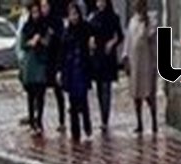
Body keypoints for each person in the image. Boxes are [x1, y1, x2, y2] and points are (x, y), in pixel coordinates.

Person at [87, 0, 123, 133]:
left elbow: (120, 36)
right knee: (99, 88)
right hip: (97, 56)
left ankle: (105, 119)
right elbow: (88, 32)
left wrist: (112, 43)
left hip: (108, 56)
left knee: (106, 88)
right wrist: (90, 40)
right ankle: (102, 114)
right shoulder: (93, 17)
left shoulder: (113, 17)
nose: (100, 4)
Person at [61, 2, 94, 143]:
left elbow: (91, 45)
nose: (73, 17)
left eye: (75, 14)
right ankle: (75, 131)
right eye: (71, 14)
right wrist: (60, 70)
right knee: (72, 102)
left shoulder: (86, 29)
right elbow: (62, 52)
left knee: (83, 99)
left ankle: (86, 124)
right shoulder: (67, 31)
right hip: (70, 70)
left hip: (82, 68)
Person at [127, 0, 158, 134]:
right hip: (135, 62)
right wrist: (125, 58)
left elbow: (151, 37)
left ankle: (154, 121)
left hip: (147, 62)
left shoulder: (151, 21)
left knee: (149, 94)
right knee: (136, 94)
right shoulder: (132, 21)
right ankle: (139, 122)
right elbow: (129, 40)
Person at [19, 3, 49, 135]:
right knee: (31, 95)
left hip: (41, 62)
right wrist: (30, 42)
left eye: (38, 12)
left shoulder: (44, 26)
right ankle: (32, 121)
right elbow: (22, 44)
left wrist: (40, 40)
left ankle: (40, 120)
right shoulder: (26, 27)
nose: (36, 15)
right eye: (33, 12)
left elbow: (48, 43)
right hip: (30, 64)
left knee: (41, 94)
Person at [41, 0, 66, 132]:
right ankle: (38, 120)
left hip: (55, 61)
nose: (43, 9)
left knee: (58, 92)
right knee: (40, 92)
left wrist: (52, 35)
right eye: (42, 6)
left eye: (45, 6)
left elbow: (61, 40)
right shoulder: (39, 21)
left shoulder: (57, 21)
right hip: (43, 62)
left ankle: (62, 121)